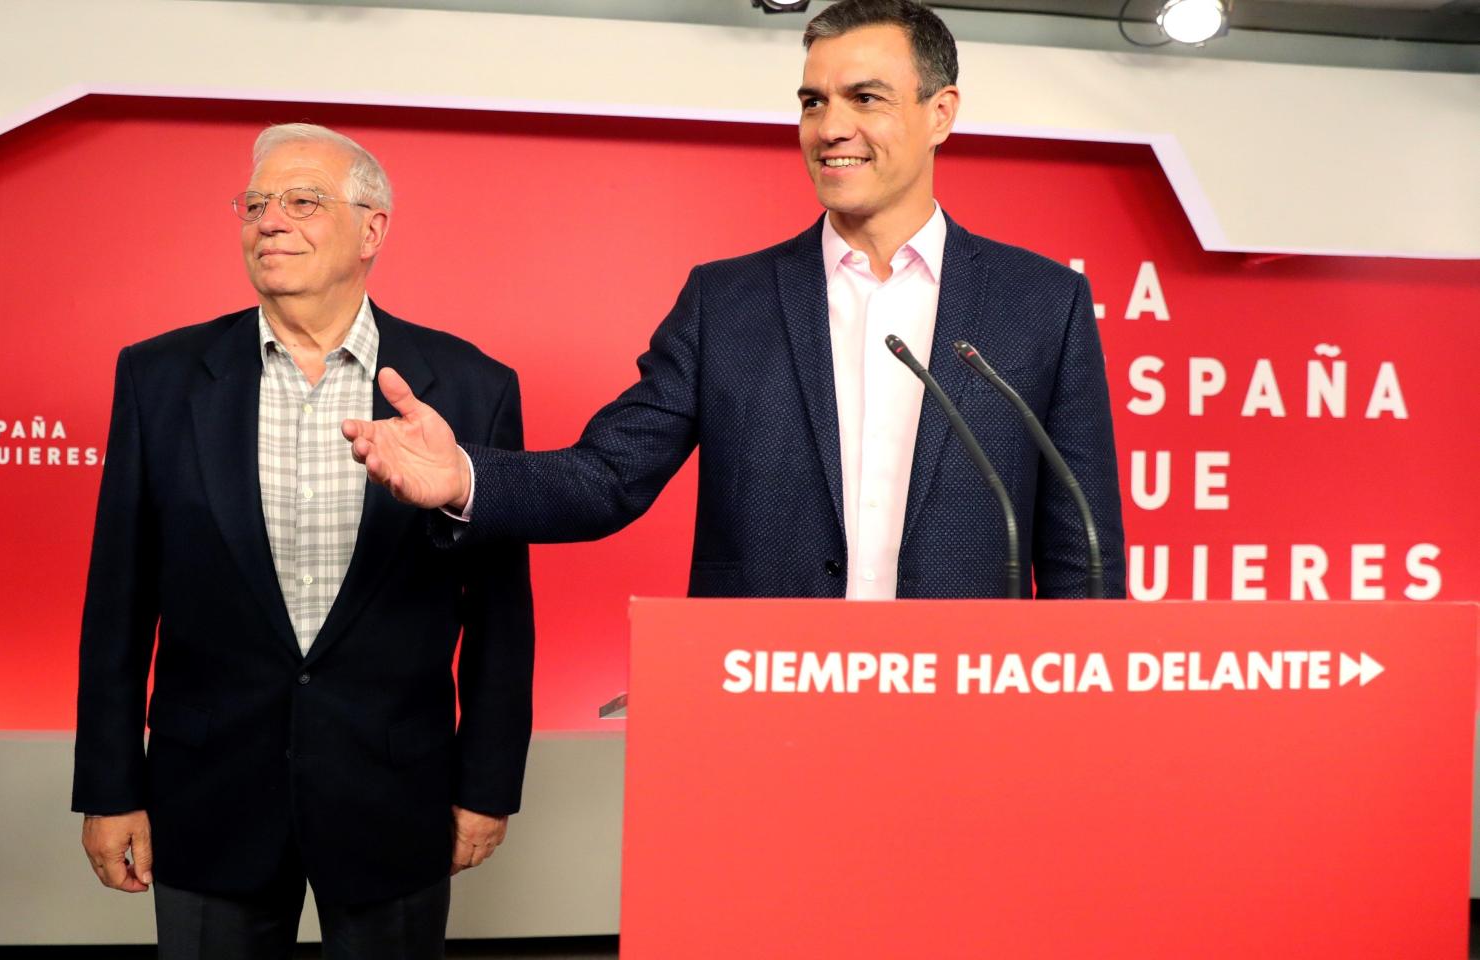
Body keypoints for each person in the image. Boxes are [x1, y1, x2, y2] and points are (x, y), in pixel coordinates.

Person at [343, 0, 1125, 600]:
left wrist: (1083, 730)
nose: (830, 127)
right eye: (813, 102)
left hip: (965, 710)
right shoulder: (726, 303)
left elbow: (1082, 554)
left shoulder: (1041, 305)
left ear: (940, 114)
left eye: (865, 98)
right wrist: (464, 478)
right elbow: (607, 475)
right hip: (762, 706)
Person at [71, 123, 535, 960]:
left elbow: (500, 617)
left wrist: (488, 784)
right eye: (255, 204)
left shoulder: (471, 387)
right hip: (207, 795)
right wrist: (109, 789)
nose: (270, 221)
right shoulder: (159, 378)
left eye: (302, 201)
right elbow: (119, 604)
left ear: (372, 229)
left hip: (395, 794)